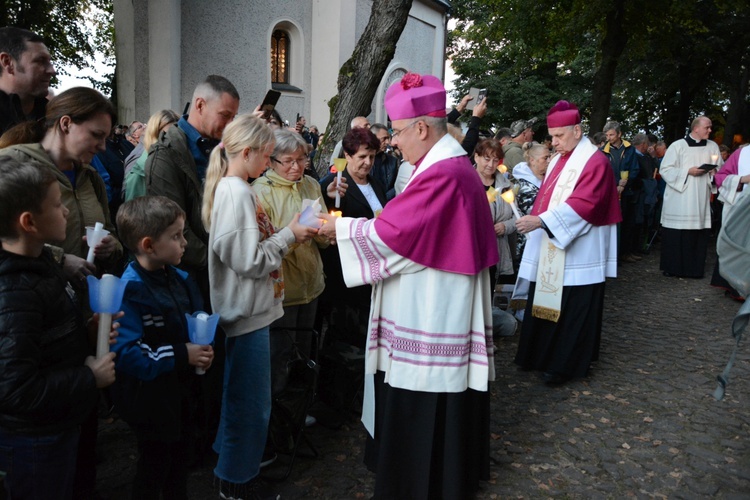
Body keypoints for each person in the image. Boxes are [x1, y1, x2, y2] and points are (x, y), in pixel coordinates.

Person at [317, 72, 498, 499]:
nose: (393, 142)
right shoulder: (443, 166)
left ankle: (421, 481)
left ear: (421, 127)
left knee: (425, 396)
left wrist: (337, 230)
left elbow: (397, 237)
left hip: (434, 308)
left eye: (397, 132)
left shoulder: (444, 173)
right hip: (438, 300)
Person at [202, 114, 316, 499]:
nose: (269, 164)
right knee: (250, 407)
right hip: (246, 314)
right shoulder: (235, 192)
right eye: (267, 156)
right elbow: (248, 261)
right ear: (247, 152)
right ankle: (237, 484)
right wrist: (290, 235)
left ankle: (231, 471)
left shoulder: (238, 188)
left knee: (244, 400)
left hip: (253, 311)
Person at [0, 157, 117, 500]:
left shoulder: (41, 265)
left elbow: (45, 341)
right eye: (57, 205)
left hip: (58, 426)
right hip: (34, 441)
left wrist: (87, 334)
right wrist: (89, 377)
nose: (66, 212)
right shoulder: (14, 291)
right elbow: (17, 389)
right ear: (29, 222)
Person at [111, 196, 214, 499]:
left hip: (179, 393)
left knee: (180, 460)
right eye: (176, 236)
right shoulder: (130, 290)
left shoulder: (180, 277)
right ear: (148, 245)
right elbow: (130, 354)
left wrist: (204, 349)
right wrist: (184, 353)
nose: (185, 243)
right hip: (150, 401)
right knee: (155, 464)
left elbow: (195, 319)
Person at [513, 100, 620, 386]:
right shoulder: (560, 159)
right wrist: (536, 220)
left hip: (580, 250)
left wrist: (542, 222)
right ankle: (538, 355)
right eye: (551, 136)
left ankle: (564, 364)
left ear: (577, 130)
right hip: (552, 243)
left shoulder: (595, 160)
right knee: (546, 298)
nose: (554, 142)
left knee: (573, 309)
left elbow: (586, 203)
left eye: (559, 136)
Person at [0, 87, 123, 283]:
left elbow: (109, 230)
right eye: (96, 135)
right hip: (26, 302)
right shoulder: (12, 164)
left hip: (80, 307)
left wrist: (111, 247)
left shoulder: (91, 177)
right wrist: (58, 259)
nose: (102, 147)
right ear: (66, 124)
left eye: (105, 138)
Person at [145, 74, 240, 302]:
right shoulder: (165, 155)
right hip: (190, 274)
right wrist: (218, 262)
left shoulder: (219, 147)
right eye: (225, 116)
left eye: (233, 118)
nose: (229, 125)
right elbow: (172, 224)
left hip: (218, 269)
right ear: (200, 105)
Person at [252, 129, 328, 400]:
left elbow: (322, 227)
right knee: (279, 355)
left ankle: (299, 411)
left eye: (302, 159)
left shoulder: (310, 184)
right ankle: (277, 418)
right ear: (271, 161)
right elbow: (263, 246)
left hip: (312, 284)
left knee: (304, 353)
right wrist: (294, 237)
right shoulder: (260, 192)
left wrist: (327, 232)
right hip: (283, 291)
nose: (297, 166)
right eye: (288, 161)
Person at [318, 127, 388, 349]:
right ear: (347, 156)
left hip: (372, 268)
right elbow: (326, 219)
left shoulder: (376, 183)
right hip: (345, 272)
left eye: (372, 157)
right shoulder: (335, 183)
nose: (367, 162)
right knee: (345, 337)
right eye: (361, 157)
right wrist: (329, 197)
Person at [659, 115, 721, 278]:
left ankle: (694, 269)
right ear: (696, 128)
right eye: (707, 127)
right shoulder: (678, 146)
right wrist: (688, 171)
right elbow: (665, 170)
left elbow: (720, 172)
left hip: (700, 197)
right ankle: (672, 268)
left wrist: (714, 173)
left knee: (697, 233)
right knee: (677, 234)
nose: (710, 130)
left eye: (710, 127)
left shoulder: (713, 146)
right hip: (679, 198)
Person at [474, 137, 516, 295]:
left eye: (495, 160)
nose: (491, 165)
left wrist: (505, 226)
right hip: (473, 249)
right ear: (476, 157)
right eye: (486, 159)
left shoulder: (506, 185)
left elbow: (517, 216)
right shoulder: (467, 181)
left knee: (488, 295)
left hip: (496, 250)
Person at [0, 27, 56, 134]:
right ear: (8, 62)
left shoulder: (53, 120)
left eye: (49, 61)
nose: (52, 71)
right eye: (40, 61)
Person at [712, 145, 750, 300]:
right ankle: (738, 287)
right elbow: (720, 177)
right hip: (743, 210)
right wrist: (741, 179)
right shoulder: (743, 153)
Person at [601, 120, 641, 263]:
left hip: (627, 192)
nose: (609, 137)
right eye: (607, 135)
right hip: (610, 192)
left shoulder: (629, 149)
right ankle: (612, 255)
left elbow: (635, 169)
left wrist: (626, 183)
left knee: (627, 223)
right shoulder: (603, 151)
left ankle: (624, 252)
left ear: (619, 134)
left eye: (611, 134)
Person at [123, 109, 179, 201]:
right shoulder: (138, 168)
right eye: (165, 135)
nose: (171, 139)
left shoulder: (184, 159)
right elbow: (134, 211)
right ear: (153, 134)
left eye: (177, 133)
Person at [511, 142, 550, 268]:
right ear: (532, 160)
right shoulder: (525, 186)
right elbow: (535, 212)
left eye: (550, 157)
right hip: (529, 242)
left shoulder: (547, 178)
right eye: (545, 158)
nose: (549, 161)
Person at [369, 123, 399, 200]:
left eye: (388, 138)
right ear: (373, 138)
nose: (388, 142)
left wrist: (384, 199)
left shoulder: (393, 161)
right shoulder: (364, 161)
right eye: (384, 138)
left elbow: (397, 185)